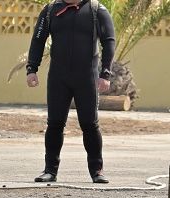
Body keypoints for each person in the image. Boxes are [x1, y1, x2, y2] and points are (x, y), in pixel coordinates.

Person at [25, 0, 115, 184]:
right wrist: (32, 68)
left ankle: (97, 171)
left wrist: (105, 73)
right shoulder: (50, 10)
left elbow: (109, 42)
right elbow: (38, 39)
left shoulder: (97, 10)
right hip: (59, 77)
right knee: (55, 123)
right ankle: (50, 170)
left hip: (86, 77)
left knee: (90, 124)